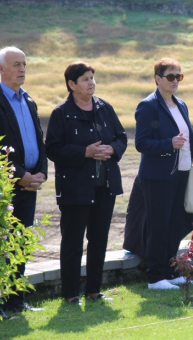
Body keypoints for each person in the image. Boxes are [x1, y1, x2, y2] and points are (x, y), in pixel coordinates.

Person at [45, 61, 127, 304]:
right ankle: (70, 294)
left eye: (92, 78)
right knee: (72, 242)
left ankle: (94, 290)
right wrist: (85, 152)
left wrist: (112, 149)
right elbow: (53, 149)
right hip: (75, 188)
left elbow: (121, 137)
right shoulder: (61, 113)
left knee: (99, 238)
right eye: (85, 79)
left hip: (106, 186)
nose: (91, 82)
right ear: (72, 84)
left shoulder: (105, 107)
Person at [135, 58, 193, 290]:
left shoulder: (181, 105)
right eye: (170, 76)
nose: (175, 80)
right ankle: (155, 277)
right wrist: (169, 143)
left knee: (174, 225)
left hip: (181, 173)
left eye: (179, 76)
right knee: (159, 226)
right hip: (158, 176)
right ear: (158, 79)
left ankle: (170, 271)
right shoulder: (148, 106)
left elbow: (184, 139)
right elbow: (142, 143)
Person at [0, 46, 47, 316]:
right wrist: (21, 176)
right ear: (1, 69)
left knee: (21, 242)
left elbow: (38, 141)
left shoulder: (28, 100)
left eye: (25, 64)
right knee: (3, 244)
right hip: (5, 188)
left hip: (30, 185)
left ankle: (15, 300)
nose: (22, 70)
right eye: (16, 64)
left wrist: (40, 173)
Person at [123, 149, 193, 275]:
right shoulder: (155, 172)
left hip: (170, 222)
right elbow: (174, 203)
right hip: (145, 232)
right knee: (185, 210)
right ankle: (161, 264)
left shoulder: (184, 169)